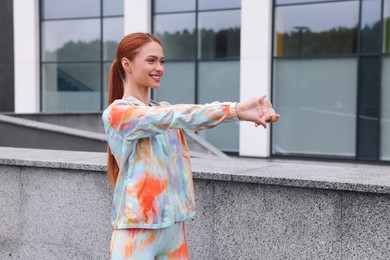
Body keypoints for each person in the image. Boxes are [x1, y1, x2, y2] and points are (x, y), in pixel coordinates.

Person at [102, 32, 280, 260]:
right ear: (127, 64)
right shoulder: (118, 113)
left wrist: (239, 115)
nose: (159, 68)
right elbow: (178, 115)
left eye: (162, 61)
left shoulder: (161, 108)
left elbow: (186, 118)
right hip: (137, 230)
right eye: (151, 60)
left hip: (174, 227)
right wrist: (235, 110)